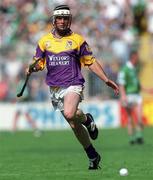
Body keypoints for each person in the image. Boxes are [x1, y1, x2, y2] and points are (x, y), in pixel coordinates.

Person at [27, 5, 119, 170]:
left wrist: (106, 79)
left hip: (73, 83)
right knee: (74, 123)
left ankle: (86, 121)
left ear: (70, 20)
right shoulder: (44, 41)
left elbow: (90, 61)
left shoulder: (77, 39)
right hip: (55, 88)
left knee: (69, 113)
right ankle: (92, 153)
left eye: (65, 18)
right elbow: (39, 63)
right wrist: (32, 67)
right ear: (54, 21)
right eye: (59, 18)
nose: (62, 21)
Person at [118, 50, 144, 145]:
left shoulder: (134, 68)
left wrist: (146, 89)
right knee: (129, 117)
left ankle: (139, 135)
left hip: (137, 95)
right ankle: (132, 137)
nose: (138, 59)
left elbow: (137, 83)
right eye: (137, 57)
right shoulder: (125, 69)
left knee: (139, 116)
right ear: (133, 57)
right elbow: (121, 84)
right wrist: (123, 96)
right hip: (128, 95)